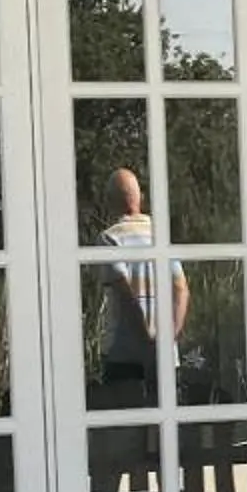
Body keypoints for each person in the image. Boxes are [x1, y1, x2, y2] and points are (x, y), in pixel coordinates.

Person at [94, 165, 187, 412]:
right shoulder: (160, 234)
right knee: (165, 433)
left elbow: (126, 295)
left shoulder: (110, 238)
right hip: (165, 356)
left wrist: (146, 341)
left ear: (111, 202)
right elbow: (181, 290)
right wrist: (169, 337)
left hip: (124, 355)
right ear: (140, 197)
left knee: (126, 437)